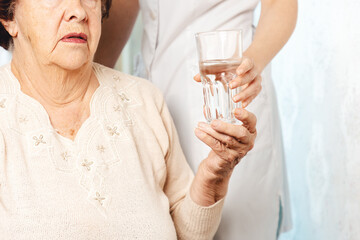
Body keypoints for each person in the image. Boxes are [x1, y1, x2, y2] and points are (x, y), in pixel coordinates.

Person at [0, 0, 259, 239]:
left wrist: (214, 174)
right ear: (8, 17)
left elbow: (186, 233)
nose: (78, 11)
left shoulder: (145, 101)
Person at [95, 0, 298, 239]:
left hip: (227, 93)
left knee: (229, 220)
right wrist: (89, 81)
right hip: (151, 102)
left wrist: (251, 63)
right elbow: (126, 4)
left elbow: (280, 5)